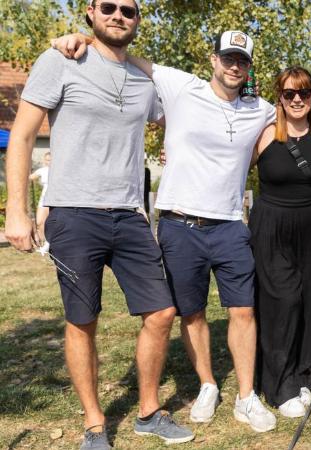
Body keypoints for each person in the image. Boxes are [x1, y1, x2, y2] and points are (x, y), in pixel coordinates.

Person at [49, 28, 279, 432]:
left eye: (242, 61)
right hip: (179, 224)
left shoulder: (260, 109)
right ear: (213, 59)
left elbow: (300, 118)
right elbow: (124, 52)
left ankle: (246, 396)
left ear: (248, 68)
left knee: (243, 310)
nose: (234, 66)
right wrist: (78, 38)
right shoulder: (179, 85)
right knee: (190, 313)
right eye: (228, 58)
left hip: (229, 224)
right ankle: (208, 384)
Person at [4, 1, 193, 448]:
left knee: (162, 311)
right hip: (72, 212)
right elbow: (24, 134)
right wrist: (18, 208)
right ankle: (94, 423)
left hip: (129, 214)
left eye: (128, 10)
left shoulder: (144, 82)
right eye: (108, 7)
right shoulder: (60, 61)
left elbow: (185, 110)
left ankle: (148, 410)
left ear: (138, 20)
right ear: (90, 12)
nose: (118, 15)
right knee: (82, 319)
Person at [250, 66, 311, 419]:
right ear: (280, 98)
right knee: (282, 300)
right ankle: (279, 383)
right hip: (272, 225)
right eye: (289, 94)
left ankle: (307, 372)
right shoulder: (265, 134)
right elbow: (227, 163)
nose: (297, 99)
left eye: (303, 93)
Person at [28, 152, 51, 242]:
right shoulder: (42, 170)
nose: (49, 162)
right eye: (47, 160)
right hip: (44, 199)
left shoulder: (59, 170)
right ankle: (43, 243)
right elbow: (30, 178)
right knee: (40, 222)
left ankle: (51, 242)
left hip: (58, 199)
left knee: (54, 222)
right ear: (44, 161)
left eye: (50, 160)